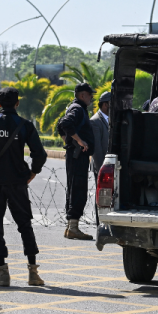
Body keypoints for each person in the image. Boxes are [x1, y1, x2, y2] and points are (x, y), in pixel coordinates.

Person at [0, 87, 48, 287]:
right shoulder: (25, 125)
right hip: (17, 183)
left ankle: (3, 273)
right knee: (25, 225)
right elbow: (39, 154)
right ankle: (33, 273)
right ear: (17, 103)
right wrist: (33, 172)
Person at [58, 83, 95, 240]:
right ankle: (73, 228)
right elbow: (65, 124)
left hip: (77, 155)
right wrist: (78, 142)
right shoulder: (77, 108)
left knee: (75, 188)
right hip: (77, 156)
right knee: (78, 189)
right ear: (82, 95)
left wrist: (69, 141)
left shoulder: (77, 108)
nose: (91, 98)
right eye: (89, 95)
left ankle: (71, 227)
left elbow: (60, 125)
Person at [90, 91, 111, 181]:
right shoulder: (95, 121)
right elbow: (97, 150)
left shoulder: (112, 118)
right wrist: (102, 170)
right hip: (102, 167)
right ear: (105, 105)